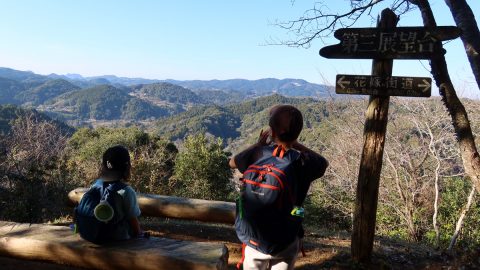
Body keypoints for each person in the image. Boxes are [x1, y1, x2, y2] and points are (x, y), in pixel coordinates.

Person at [229, 104, 328, 270]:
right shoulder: (303, 162)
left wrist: (257, 145)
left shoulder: (257, 154)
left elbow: (231, 162)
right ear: (298, 133)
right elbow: (324, 163)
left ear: (272, 131)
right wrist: (296, 145)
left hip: (253, 239)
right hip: (287, 238)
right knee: (298, 209)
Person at [90, 145, 143, 240]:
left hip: (94, 235)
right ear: (126, 166)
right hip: (118, 239)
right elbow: (133, 219)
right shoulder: (125, 191)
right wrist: (139, 234)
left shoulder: (95, 185)